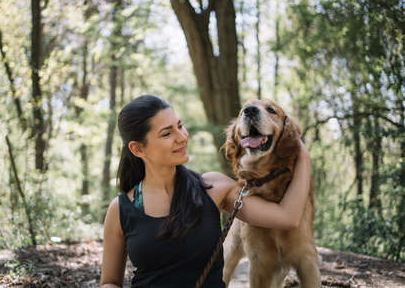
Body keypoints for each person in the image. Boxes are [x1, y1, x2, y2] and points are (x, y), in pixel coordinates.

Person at [100, 95, 311, 288]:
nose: (181, 137)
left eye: (180, 126)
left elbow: (288, 217)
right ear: (138, 149)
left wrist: (302, 154)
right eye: (167, 133)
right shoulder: (121, 209)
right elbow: (109, 282)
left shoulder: (213, 188)